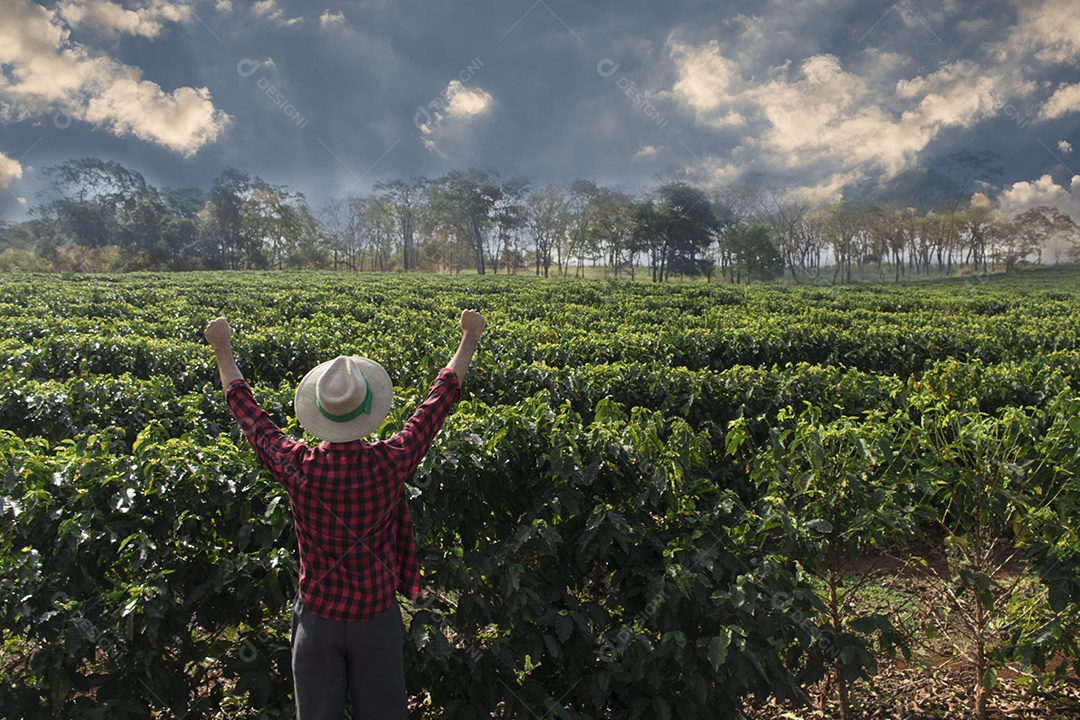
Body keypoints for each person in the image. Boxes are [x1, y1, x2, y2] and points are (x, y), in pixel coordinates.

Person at [204, 309, 486, 720]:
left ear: (319, 413)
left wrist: (222, 347)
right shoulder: (392, 462)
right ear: (369, 410)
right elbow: (437, 404)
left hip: (317, 616)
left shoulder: (297, 466)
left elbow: (250, 415)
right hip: (375, 616)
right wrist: (469, 338)